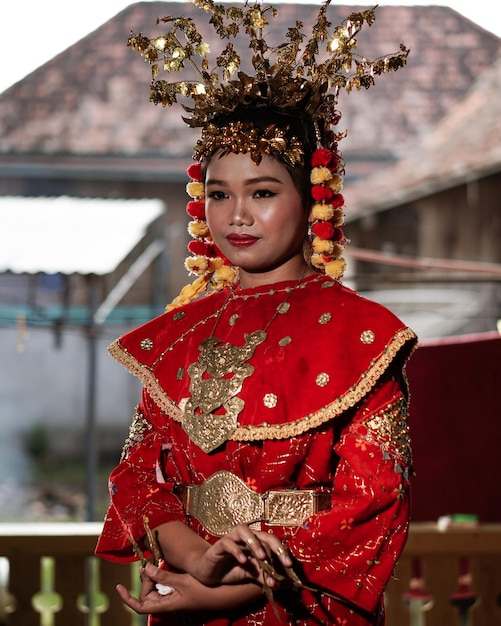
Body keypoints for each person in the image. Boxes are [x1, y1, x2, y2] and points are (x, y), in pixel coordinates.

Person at [95, 1, 415, 624]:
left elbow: (374, 506)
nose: (236, 215)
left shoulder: (363, 339)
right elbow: (136, 481)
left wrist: (237, 592)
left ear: (314, 196)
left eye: (263, 193)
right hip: (189, 594)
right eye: (219, 194)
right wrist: (197, 559)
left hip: (304, 607)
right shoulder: (177, 336)